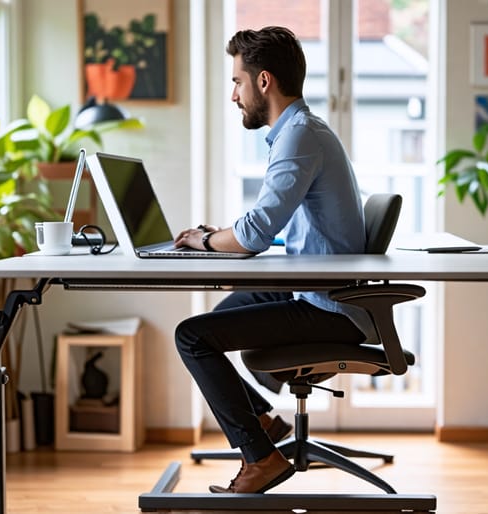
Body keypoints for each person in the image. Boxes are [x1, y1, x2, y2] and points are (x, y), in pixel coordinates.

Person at [173, 26, 376, 495]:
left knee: (192, 337)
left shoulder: (300, 136)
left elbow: (254, 235)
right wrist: (213, 237)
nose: (233, 95)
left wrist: (205, 243)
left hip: (330, 307)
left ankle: (260, 459)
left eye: (237, 82)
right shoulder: (301, 132)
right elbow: (276, 230)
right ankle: (262, 423)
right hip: (319, 287)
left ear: (263, 81)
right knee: (224, 315)